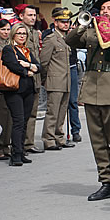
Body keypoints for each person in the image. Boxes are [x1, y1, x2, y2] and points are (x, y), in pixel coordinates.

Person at [65, 0, 110, 202]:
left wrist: (106, 29)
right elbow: (71, 40)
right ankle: (105, 181)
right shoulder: (91, 31)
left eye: (109, 9)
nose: (105, 11)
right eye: (102, 8)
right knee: (98, 141)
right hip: (92, 90)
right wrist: (84, 22)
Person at [1, 23, 42, 166]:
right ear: (13, 35)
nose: (22, 36)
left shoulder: (26, 50)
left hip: (28, 90)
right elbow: (13, 65)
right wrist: (28, 70)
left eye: (24, 34)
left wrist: (28, 65)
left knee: (25, 121)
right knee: (18, 121)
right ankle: (16, 154)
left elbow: (39, 67)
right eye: (19, 33)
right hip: (14, 90)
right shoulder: (8, 49)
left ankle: (22, 150)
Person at [40, 8, 75, 151]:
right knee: (52, 112)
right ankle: (48, 139)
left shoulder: (66, 38)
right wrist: (46, 79)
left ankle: (59, 137)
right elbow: (44, 62)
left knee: (62, 112)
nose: (66, 24)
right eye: (63, 22)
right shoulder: (51, 39)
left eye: (67, 22)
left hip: (65, 81)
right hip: (55, 81)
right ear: (55, 22)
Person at [15, 4, 43, 154]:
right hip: (23, 77)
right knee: (21, 115)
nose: (33, 18)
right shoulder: (19, 31)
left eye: (34, 15)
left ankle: (28, 143)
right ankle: (18, 145)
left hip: (35, 77)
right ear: (21, 16)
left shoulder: (33, 32)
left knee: (32, 112)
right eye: (30, 15)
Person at [0, 18, 13, 160]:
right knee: (2, 118)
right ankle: (0, 147)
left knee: (9, 117)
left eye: (8, 29)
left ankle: (6, 146)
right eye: (3, 29)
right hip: (1, 84)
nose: (6, 32)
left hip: (10, 84)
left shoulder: (10, 44)